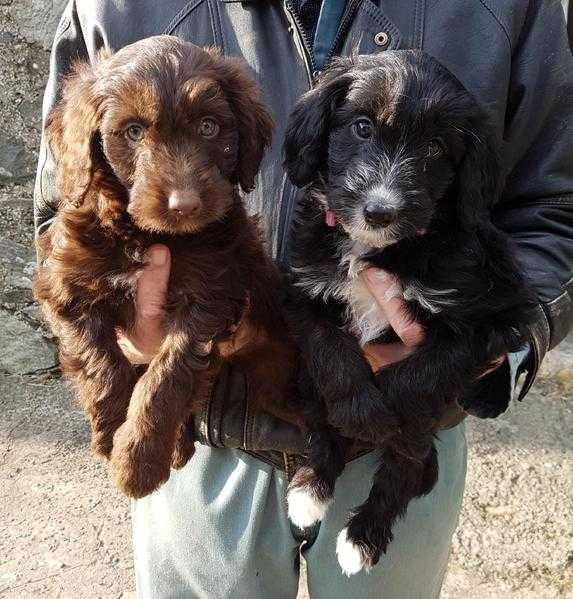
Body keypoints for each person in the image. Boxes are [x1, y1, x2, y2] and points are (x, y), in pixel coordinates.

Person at [35, 1, 573, 597]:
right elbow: (63, 204)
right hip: (205, 433)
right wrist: (128, 345)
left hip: (404, 425)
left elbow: (556, 208)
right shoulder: (114, 5)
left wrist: (492, 348)